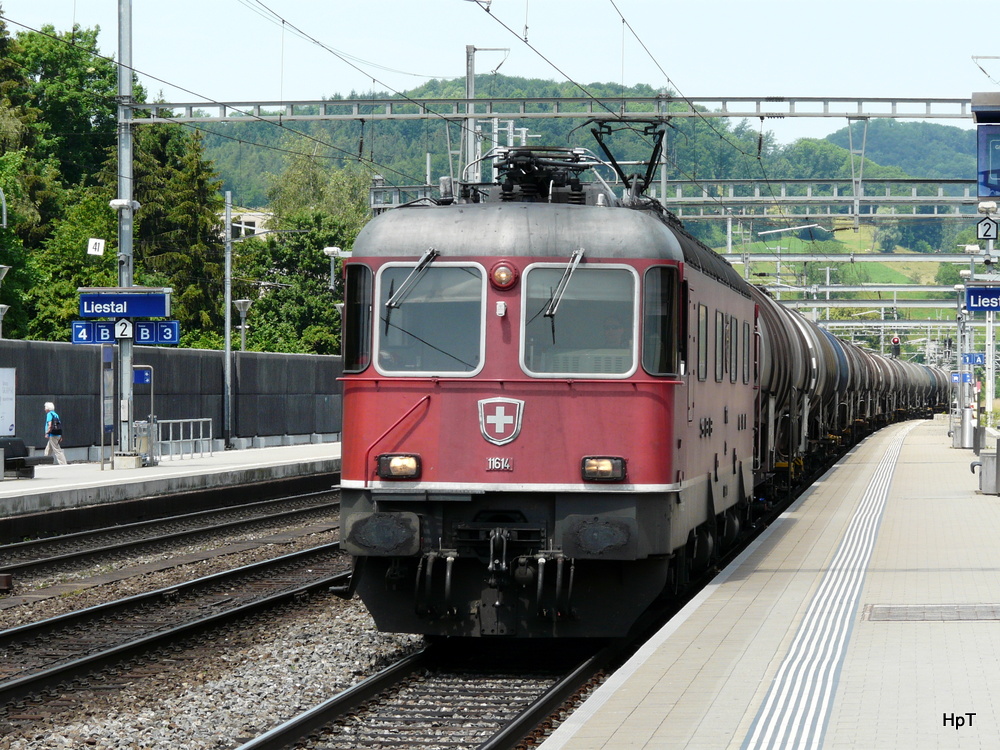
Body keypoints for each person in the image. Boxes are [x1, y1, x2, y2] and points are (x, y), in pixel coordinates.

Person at [44, 401, 67, 465]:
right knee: (48, 449)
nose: (44, 409)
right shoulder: (55, 414)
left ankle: (63, 463)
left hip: (52, 434)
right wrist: (61, 435)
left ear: (48, 408)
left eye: (45, 407)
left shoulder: (49, 414)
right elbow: (59, 424)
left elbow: (50, 424)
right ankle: (45, 462)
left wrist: (47, 433)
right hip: (57, 434)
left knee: (57, 450)